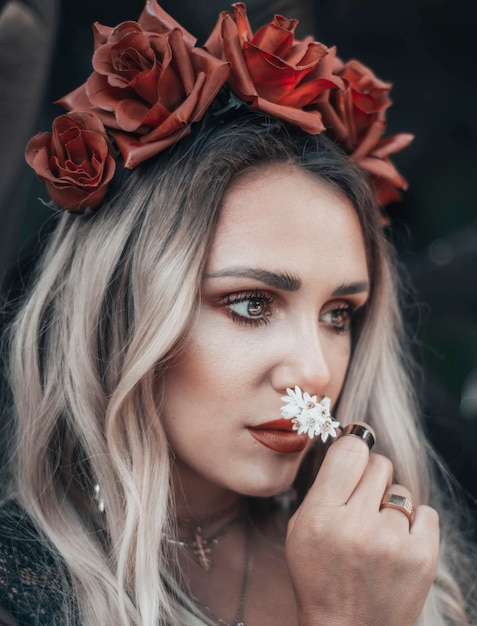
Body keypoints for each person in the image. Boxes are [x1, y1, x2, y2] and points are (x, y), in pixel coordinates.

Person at [0, 1, 475, 624]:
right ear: (121, 314)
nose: (316, 373)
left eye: (338, 314)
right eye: (251, 304)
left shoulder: (394, 560)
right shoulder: (25, 586)